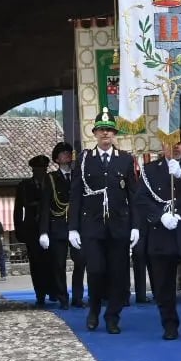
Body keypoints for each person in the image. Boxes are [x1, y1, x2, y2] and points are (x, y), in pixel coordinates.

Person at [69, 108, 139, 335]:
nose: (105, 134)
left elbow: (133, 195)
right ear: (95, 133)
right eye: (101, 130)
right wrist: (73, 228)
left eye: (109, 130)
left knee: (118, 274)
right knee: (96, 270)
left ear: (114, 134)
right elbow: (76, 194)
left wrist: (136, 225)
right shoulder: (84, 159)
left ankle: (113, 317)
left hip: (119, 225)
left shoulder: (125, 160)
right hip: (92, 226)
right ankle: (94, 308)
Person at [134, 137, 181, 341]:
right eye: (171, 142)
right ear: (163, 145)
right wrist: (160, 216)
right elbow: (141, 199)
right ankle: (169, 324)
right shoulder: (151, 170)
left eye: (180, 143)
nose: (176, 147)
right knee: (163, 284)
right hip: (163, 233)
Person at [13, 154, 59, 307]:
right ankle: (40, 294)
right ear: (33, 170)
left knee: (53, 261)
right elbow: (18, 210)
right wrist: (18, 229)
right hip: (32, 228)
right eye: (38, 169)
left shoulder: (52, 183)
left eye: (43, 169)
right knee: (36, 263)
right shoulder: (24, 186)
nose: (40, 172)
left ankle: (53, 291)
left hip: (51, 227)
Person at [47, 141, 80, 307]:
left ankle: (78, 297)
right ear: (57, 159)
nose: (66, 155)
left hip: (76, 226)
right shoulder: (51, 179)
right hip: (58, 225)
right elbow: (46, 206)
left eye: (68, 152)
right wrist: (43, 232)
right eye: (62, 153)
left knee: (80, 261)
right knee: (59, 264)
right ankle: (63, 297)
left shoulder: (77, 175)